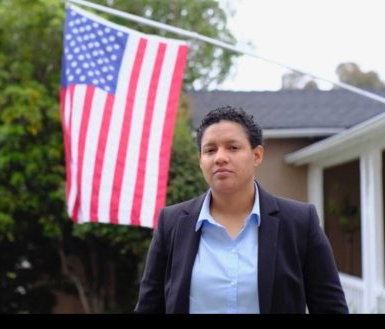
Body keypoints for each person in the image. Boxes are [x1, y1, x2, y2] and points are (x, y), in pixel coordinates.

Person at [134, 106, 349, 314]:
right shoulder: (171, 223)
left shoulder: (300, 222)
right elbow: (149, 307)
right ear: (201, 160)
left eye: (233, 147)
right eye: (210, 150)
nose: (220, 157)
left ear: (257, 155)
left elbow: (330, 307)